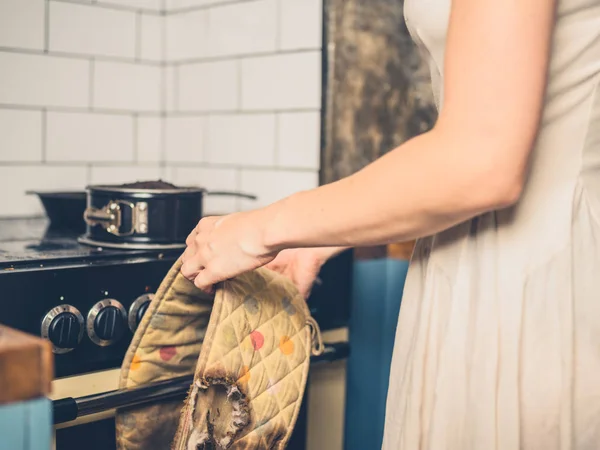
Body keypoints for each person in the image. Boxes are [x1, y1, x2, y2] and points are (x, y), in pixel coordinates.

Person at [181, 0, 600, 447]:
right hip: (467, 268)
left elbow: (483, 160)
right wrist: (317, 240)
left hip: (535, 286)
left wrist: (260, 230)